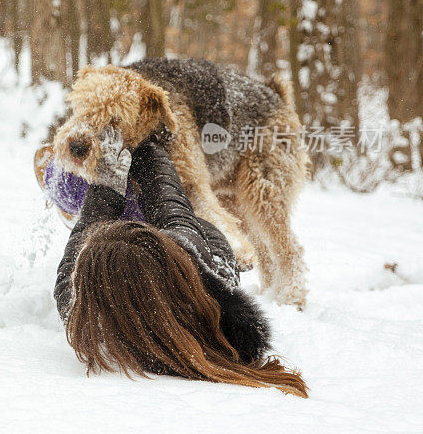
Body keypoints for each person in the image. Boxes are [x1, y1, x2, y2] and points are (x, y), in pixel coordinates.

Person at [48, 126, 308, 397]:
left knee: (79, 199)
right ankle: (122, 202)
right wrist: (146, 144)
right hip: (204, 249)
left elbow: (78, 251)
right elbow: (171, 203)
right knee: (160, 209)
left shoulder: (83, 312)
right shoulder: (193, 255)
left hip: (153, 258)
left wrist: (105, 184)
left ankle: (79, 196)